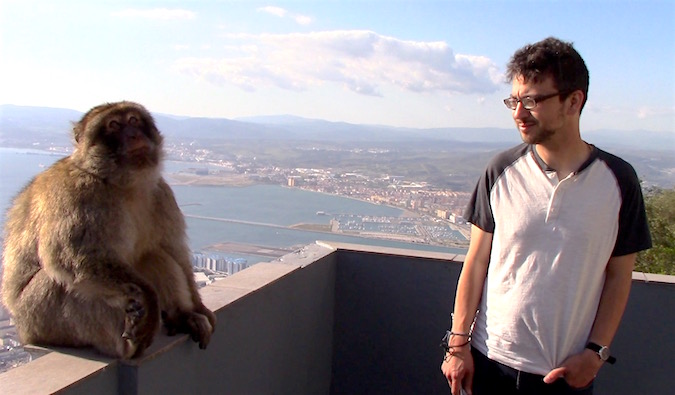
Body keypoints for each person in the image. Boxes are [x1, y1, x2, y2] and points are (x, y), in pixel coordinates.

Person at [440, 37, 652, 395]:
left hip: (564, 374)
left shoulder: (618, 181)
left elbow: (618, 275)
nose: (518, 113)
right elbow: (476, 262)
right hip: (490, 361)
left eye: (533, 101)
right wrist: (457, 346)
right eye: (514, 101)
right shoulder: (501, 170)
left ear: (574, 100)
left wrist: (595, 354)